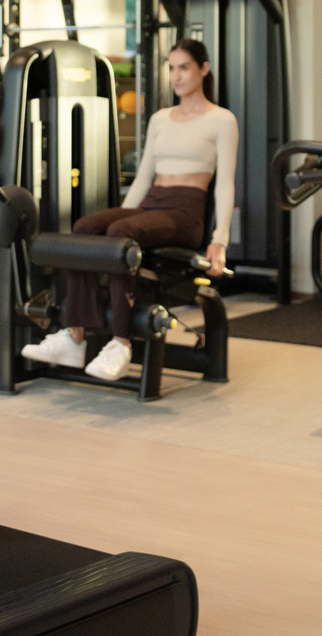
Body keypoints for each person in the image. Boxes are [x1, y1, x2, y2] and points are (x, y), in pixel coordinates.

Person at [21, 40, 237, 381]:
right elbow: (144, 177)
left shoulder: (222, 120)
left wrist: (219, 240)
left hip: (186, 211)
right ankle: (74, 337)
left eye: (184, 67)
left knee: (121, 233)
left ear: (203, 69)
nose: (176, 76)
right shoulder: (161, 119)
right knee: (85, 227)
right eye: (171, 67)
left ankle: (121, 344)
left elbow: (225, 184)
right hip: (153, 202)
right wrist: (124, 219)